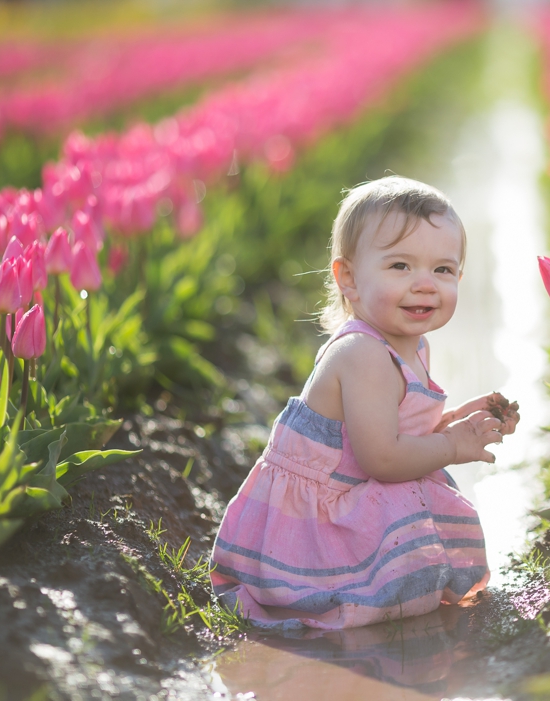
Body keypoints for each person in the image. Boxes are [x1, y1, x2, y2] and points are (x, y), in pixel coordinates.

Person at [210, 176, 516, 630]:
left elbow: (400, 431)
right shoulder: (363, 355)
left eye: (442, 270)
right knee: (394, 590)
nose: (425, 285)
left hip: (355, 489)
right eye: (400, 266)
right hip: (314, 525)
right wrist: (452, 446)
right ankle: (341, 589)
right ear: (349, 278)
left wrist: (458, 422)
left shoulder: (412, 343)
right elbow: (383, 458)